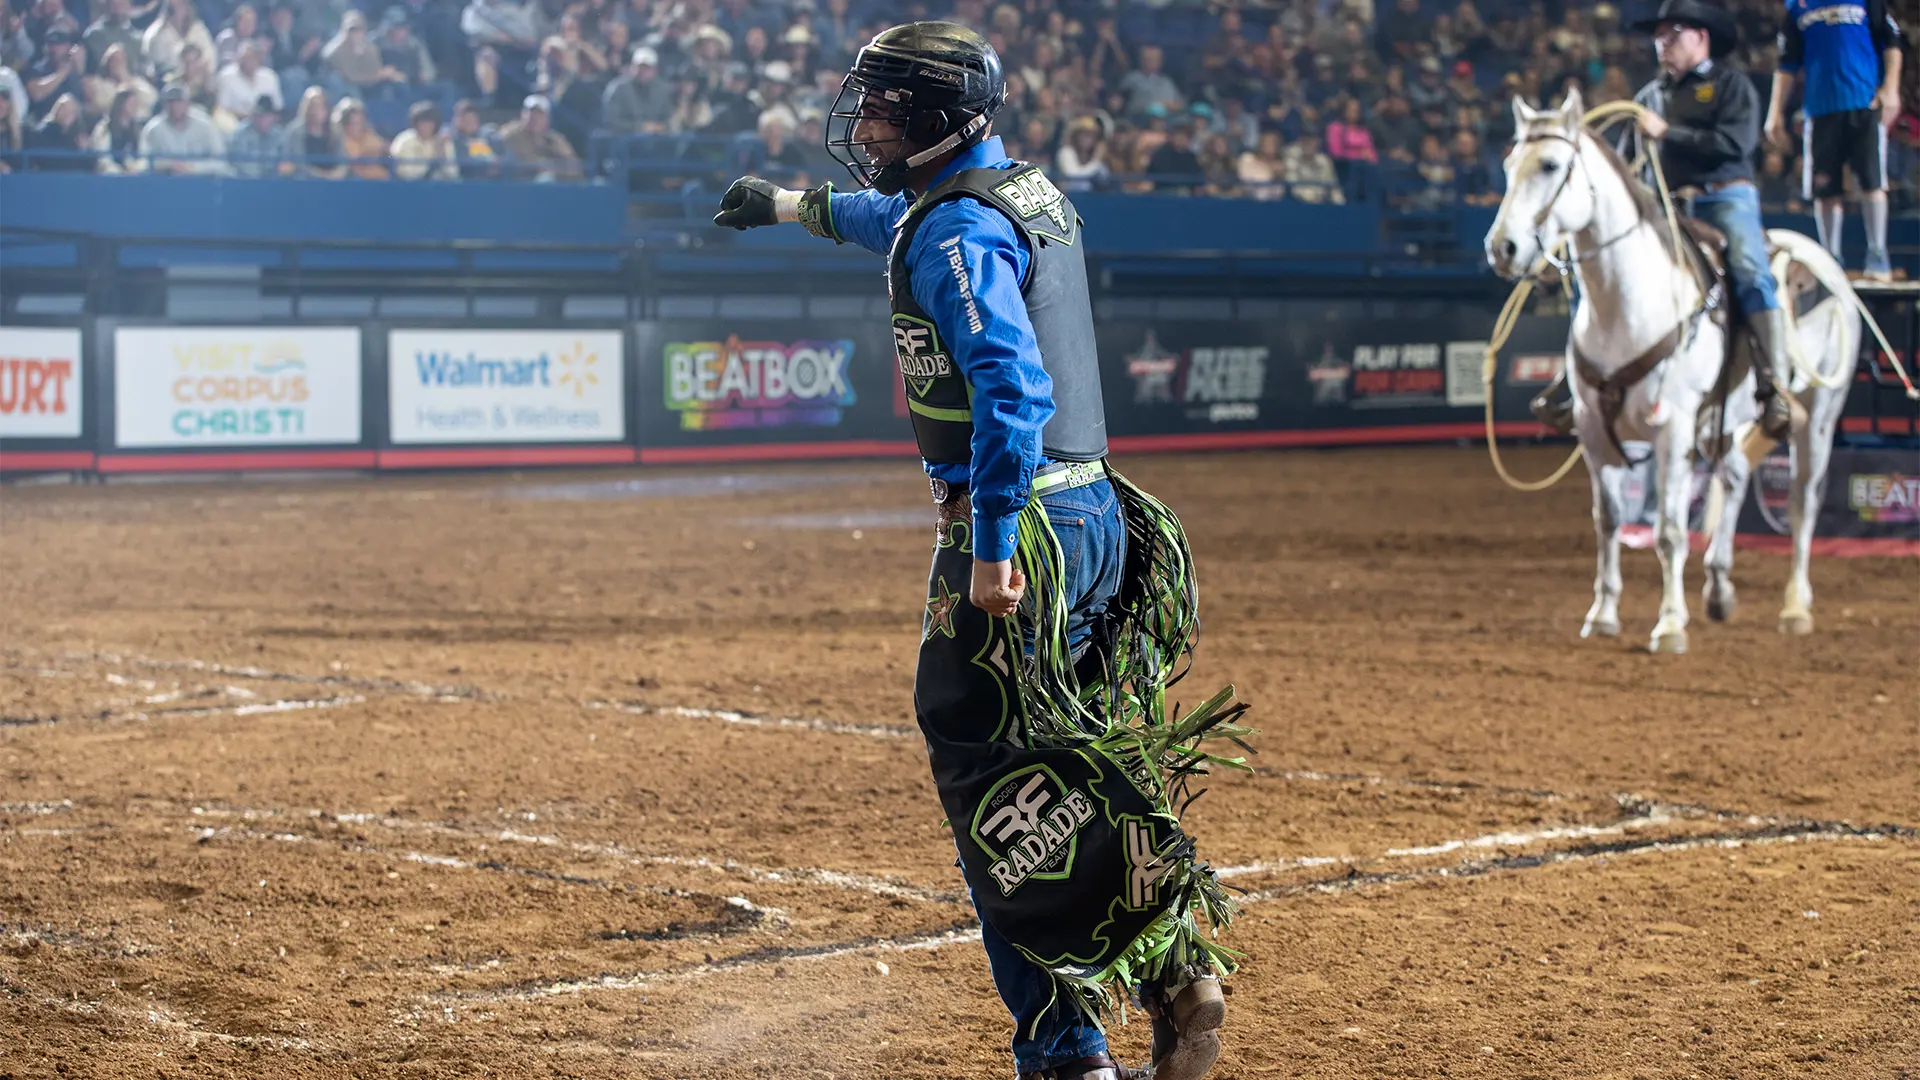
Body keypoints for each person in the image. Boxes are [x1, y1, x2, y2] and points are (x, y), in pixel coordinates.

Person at [712, 22, 1243, 1080]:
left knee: (996, 782)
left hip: (1020, 530)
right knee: (1087, 754)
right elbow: (894, 218)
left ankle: (1064, 1052)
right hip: (1096, 517)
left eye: (882, 107)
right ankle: (1177, 966)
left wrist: (993, 546)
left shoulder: (956, 236)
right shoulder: (1008, 195)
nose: (861, 123)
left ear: (935, 118)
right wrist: (784, 205)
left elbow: (1011, 389)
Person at [1631, 0, 1792, 439]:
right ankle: (1585, 381)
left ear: (1701, 37)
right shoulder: (1648, 97)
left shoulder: (1731, 86)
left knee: (1749, 270)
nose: (1661, 43)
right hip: (1668, 208)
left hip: (1726, 199)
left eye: (1672, 33)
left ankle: (1772, 384)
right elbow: (1637, 163)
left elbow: (1735, 145)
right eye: (1658, 35)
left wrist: (1668, 133)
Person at [1766, 0, 1907, 279]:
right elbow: (1787, 63)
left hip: (1864, 103)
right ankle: (1831, 259)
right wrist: (1775, 112)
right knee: (1825, 190)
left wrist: (1891, 88)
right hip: (1820, 109)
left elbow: (1892, 40)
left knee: (1872, 181)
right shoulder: (1797, 7)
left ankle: (1877, 255)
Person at [140, 81, 227, 173]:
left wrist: (194, 168)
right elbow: (143, 162)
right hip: (164, 181)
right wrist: (168, 165)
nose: (175, 106)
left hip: (201, 181)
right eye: (171, 102)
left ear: (188, 103)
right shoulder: (153, 129)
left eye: (179, 101)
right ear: (164, 104)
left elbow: (220, 161)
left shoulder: (205, 126)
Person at [496, 92, 579, 180]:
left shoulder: (555, 139)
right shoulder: (512, 134)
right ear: (522, 115)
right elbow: (524, 161)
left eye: (539, 114)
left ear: (547, 118)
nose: (534, 118)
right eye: (530, 113)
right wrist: (546, 165)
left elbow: (573, 166)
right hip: (519, 184)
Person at [602, 43, 672, 134]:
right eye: (639, 67)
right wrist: (640, 127)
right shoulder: (617, 88)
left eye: (647, 68)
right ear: (632, 67)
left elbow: (667, 119)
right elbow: (611, 120)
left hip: (655, 143)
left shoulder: (662, 90)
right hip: (622, 142)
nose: (642, 71)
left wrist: (658, 127)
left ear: (654, 70)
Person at [389, 97, 454, 179]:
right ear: (415, 123)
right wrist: (431, 166)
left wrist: (440, 151)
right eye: (422, 122)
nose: (426, 126)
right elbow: (406, 172)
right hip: (408, 186)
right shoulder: (404, 141)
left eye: (430, 122)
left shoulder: (443, 141)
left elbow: (452, 172)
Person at [226, 91, 286, 174]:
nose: (263, 120)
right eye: (260, 116)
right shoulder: (240, 135)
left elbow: (284, 162)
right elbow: (238, 163)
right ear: (253, 116)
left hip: (273, 182)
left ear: (273, 117)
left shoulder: (279, 135)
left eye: (267, 116)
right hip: (245, 181)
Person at [331, 94, 387, 178]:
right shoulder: (339, 140)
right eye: (350, 123)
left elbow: (381, 152)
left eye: (358, 123)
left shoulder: (370, 135)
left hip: (378, 180)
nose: (354, 127)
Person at [83, 0, 144, 75]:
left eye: (122, 4)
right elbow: (102, 68)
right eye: (113, 5)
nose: (118, 9)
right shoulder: (95, 34)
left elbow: (145, 68)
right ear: (106, 6)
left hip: (135, 81)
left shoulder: (137, 36)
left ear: (129, 6)